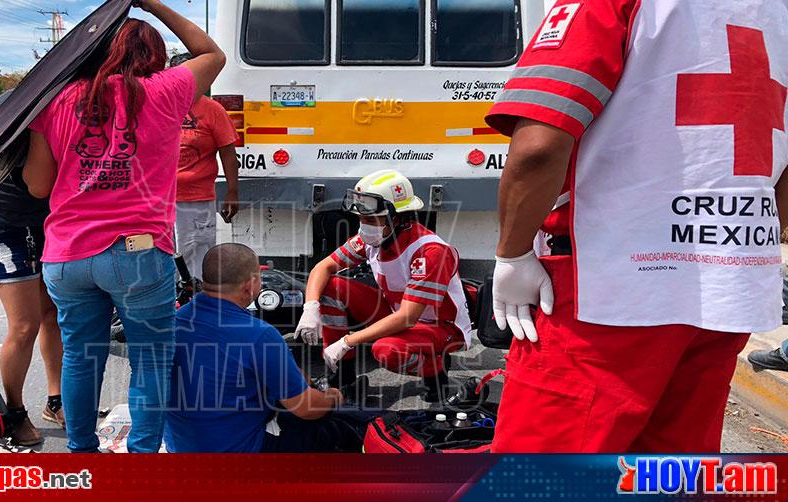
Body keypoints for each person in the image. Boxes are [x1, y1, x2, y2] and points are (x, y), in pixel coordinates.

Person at [484, 0, 787, 452]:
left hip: (608, 286)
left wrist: (513, 253)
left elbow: (539, 147)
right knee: (665, 477)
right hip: (731, 283)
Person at [22, 0, 226, 453]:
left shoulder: (57, 99)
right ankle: (142, 462)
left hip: (66, 254)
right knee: (151, 361)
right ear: (154, 55)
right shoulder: (166, 90)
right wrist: (151, 4)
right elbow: (212, 53)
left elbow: (37, 185)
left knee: (79, 357)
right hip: (137, 252)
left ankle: (81, 454)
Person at [165, 243, 364, 453]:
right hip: (240, 452)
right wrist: (332, 397)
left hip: (182, 447)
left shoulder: (174, 322)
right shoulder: (259, 335)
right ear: (250, 285)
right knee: (340, 427)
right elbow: (306, 409)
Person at [294, 169, 472, 402]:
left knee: (386, 351)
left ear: (396, 217)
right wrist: (311, 307)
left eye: (370, 220)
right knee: (330, 287)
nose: (363, 226)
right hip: (396, 311)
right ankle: (342, 379)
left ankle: (435, 370)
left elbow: (409, 316)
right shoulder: (374, 239)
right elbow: (323, 268)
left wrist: (348, 341)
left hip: (441, 325)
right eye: (360, 219)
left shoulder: (430, 252)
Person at [0, 90, 64, 446]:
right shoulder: (21, 104)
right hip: (0, 225)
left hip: (39, 224)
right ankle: (14, 413)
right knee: (24, 324)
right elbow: (39, 185)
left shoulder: (51, 100)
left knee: (50, 313)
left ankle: (55, 402)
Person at [170, 52, 241, 280]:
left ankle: (196, 307)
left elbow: (228, 154)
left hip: (196, 201)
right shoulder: (158, 106)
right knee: (163, 260)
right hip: (160, 200)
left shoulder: (212, 110)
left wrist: (232, 192)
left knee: (198, 263)